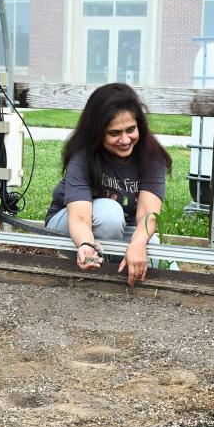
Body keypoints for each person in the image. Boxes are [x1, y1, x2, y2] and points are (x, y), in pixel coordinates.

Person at [45, 82, 172, 287]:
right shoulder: (82, 157)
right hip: (71, 226)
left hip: (123, 228)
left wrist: (138, 245)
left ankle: (110, 269)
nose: (125, 139)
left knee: (160, 261)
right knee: (109, 215)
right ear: (98, 132)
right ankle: (101, 271)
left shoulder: (152, 156)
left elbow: (148, 214)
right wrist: (86, 244)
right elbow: (79, 218)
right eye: (115, 133)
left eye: (131, 129)